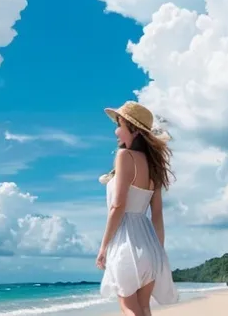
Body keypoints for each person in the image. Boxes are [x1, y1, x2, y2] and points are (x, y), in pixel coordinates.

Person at [96, 101, 179, 316]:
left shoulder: (125, 156)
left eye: (119, 124)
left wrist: (103, 247)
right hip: (149, 244)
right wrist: (158, 250)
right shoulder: (155, 166)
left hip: (126, 242)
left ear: (133, 129)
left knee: (128, 307)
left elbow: (118, 206)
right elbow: (157, 215)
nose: (116, 131)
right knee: (143, 307)